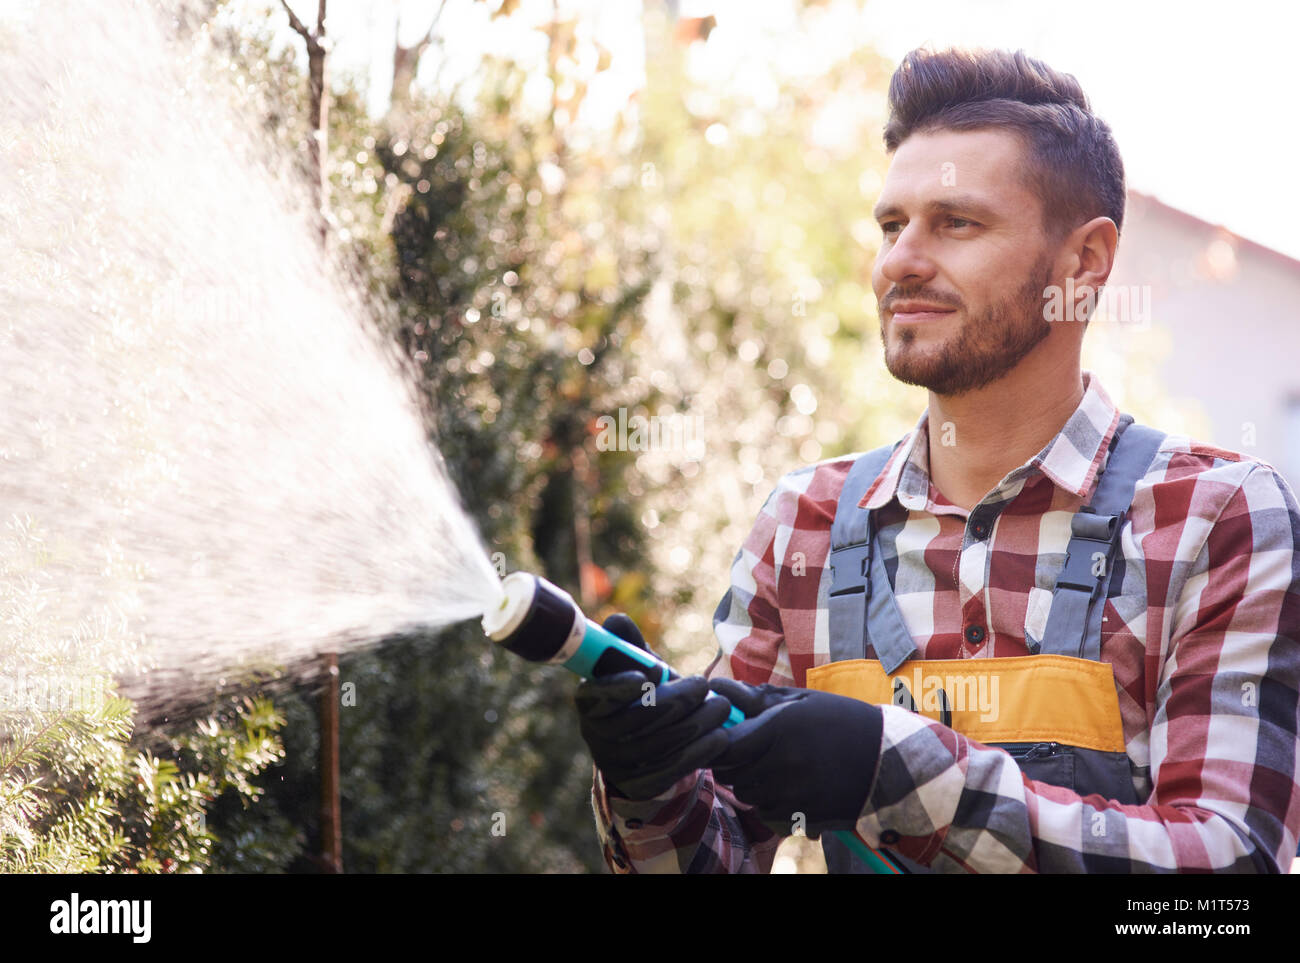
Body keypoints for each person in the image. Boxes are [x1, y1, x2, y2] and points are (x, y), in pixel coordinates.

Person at [576, 46, 1300, 873]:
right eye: (892, 225)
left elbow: (1228, 877)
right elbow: (714, 860)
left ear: (1085, 261)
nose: (899, 261)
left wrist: (894, 772)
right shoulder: (802, 526)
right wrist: (647, 783)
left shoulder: (1215, 518)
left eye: (956, 222)